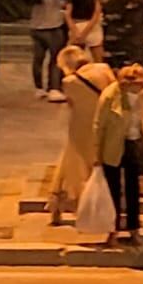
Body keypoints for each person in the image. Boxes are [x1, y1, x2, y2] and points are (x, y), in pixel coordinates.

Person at [50, 44, 114, 227]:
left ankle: (62, 206)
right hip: (103, 124)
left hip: (79, 126)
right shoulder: (103, 69)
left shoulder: (69, 81)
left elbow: (72, 104)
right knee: (98, 164)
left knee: (73, 164)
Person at [94, 62, 143, 246]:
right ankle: (112, 231)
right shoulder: (110, 96)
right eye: (139, 85)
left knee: (133, 189)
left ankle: (133, 228)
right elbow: (99, 126)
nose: (142, 89)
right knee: (113, 190)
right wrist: (97, 155)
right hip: (113, 146)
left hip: (133, 143)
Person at [30, 0, 70, 102]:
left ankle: (39, 88)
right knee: (55, 60)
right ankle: (54, 88)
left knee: (38, 59)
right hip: (53, 27)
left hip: (36, 27)